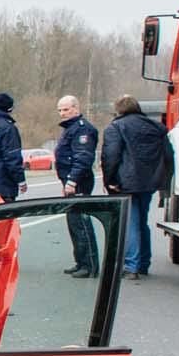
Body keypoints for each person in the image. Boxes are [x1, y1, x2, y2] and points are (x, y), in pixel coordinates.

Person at [101, 94, 171, 281]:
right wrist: (163, 179)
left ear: (118, 109)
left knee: (130, 223)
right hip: (149, 182)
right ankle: (143, 263)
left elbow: (111, 156)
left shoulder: (116, 127)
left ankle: (131, 266)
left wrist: (109, 181)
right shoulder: (156, 128)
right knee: (142, 222)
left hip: (126, 182)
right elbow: (168, 155)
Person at [56, 95, 100, 277]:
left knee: (81, 223)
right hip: (71, 182)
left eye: (65, 109)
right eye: (59, 110)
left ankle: (89, 265)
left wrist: (72, 181)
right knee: (73, 223)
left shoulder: (83, 130)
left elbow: (83, 158)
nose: (62, 114)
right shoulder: (70, 129)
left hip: (80, 182)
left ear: (76, 108)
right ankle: (80, 261)